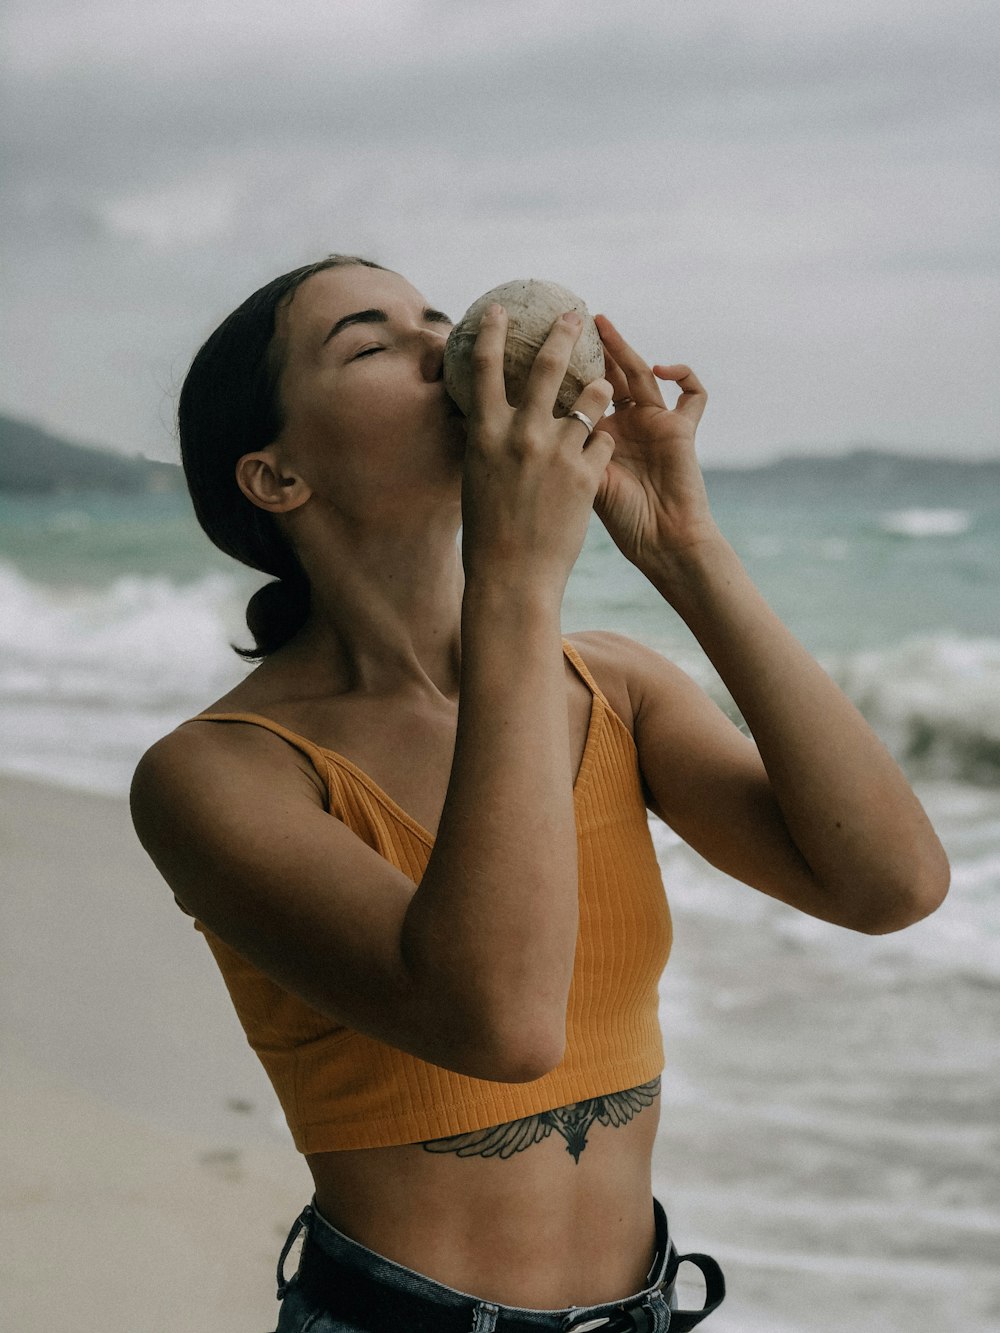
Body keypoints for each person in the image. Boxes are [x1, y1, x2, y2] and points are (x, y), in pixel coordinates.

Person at [130, 253, 949, 1332]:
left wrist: (684, 549)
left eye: (436, 319)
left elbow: (889, 883)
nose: (448, 343)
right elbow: (499, 1024)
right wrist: (514, 582)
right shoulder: (219, 772)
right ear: (277, 476)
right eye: (374, 344)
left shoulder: (611, 686)